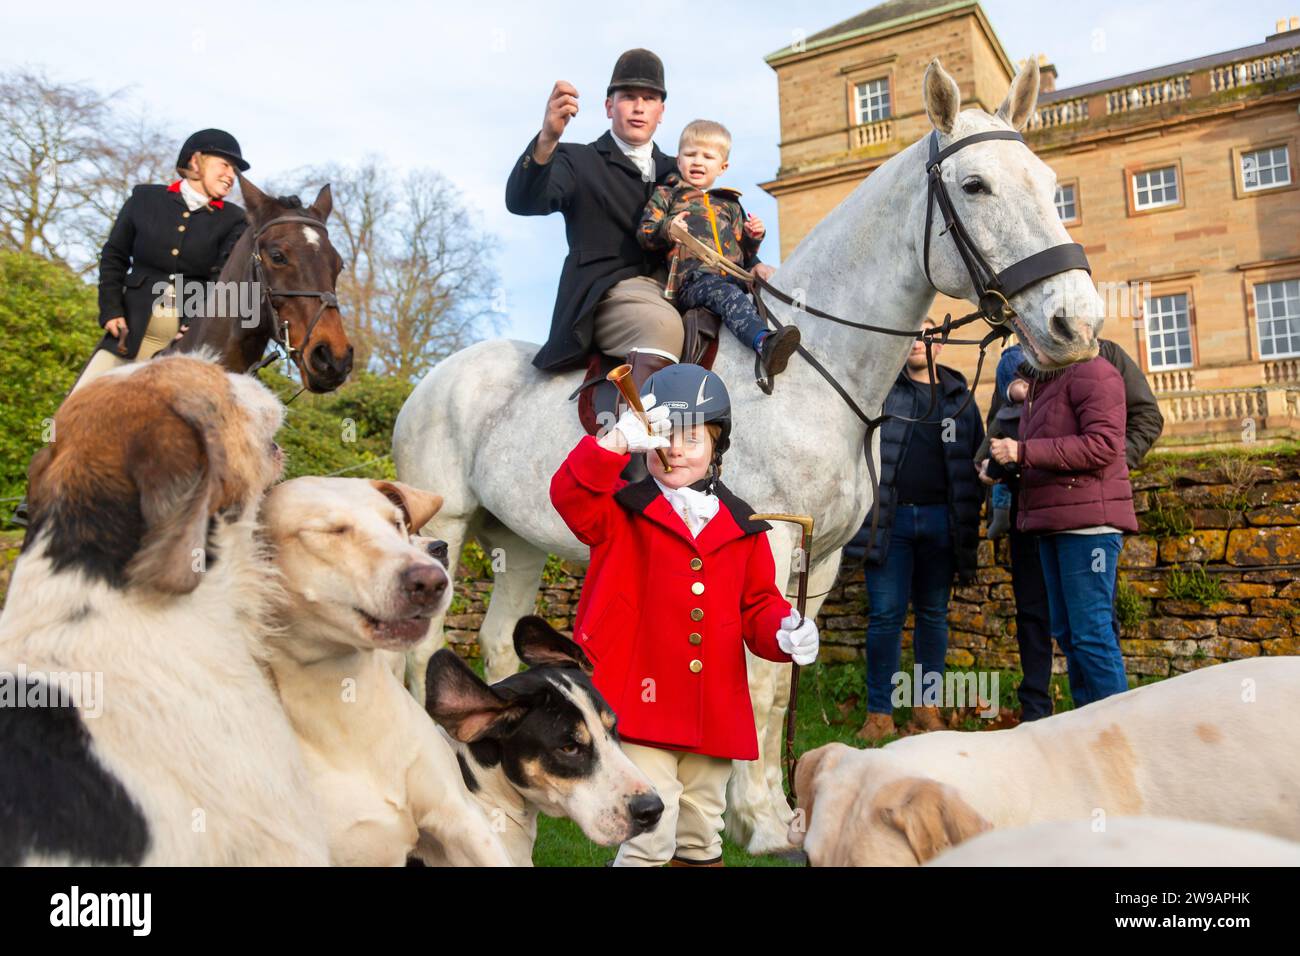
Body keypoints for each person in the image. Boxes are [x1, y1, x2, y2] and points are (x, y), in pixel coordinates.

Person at [549, 363, 818, 866]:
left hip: (711, 709)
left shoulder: (745, 526)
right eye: (664, 436)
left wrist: (784, 630)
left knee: (700, 832)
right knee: (651, 829)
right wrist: (610, 445)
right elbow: (569, 497)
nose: (675, 449)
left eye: (691, 438)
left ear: (717, 447)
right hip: (636, 704)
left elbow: (758, 605)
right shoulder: (618, 511)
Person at [979, 338, 1162, 721]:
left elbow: (1102, 445)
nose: (1025, 344)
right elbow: (1030, 439)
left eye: (1033, 336)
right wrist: (999, 464)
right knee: (1068, 632)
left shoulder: (1096, 371)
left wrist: (1024, 453)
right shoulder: (1043, 385)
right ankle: (1090, 728)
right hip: (1049, 521)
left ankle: (1121, 732)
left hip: (1088, 526)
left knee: (1092, 632)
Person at [850, 323, 985, 742]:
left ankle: (925, 707)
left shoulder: (960, 398)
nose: (918, 342)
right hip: (891, 524)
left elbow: (976, 459)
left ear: (939, 343)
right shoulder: (885, 392)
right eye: (911, 334)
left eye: (927, 334)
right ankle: (880, 713)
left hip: (942, 524)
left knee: (933, 616)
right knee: (886, 617)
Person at [80, 128, 250, 391]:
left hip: (182, 350)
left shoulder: (235, 220)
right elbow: (114, 256)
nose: (231, 176)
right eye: (225, 165)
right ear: (196, 161)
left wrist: (197, 321)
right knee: (77, 403)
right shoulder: (144, 199)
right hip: (127, 336)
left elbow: (222, 279)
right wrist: (111, 309)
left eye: (235, 171)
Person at [637, 119, 800, 383]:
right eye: (690, 154)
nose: (698, 161)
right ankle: (763, 342)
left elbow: (745, 254)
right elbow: (645, 233)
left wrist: (753, 236)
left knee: (779, 291)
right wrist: (668, 227)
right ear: (678, 161)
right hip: (694, 282)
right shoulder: (667, 195)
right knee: (725, 294)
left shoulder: (730, 204)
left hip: (735, 276)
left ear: (722, 166)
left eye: (708, 156)